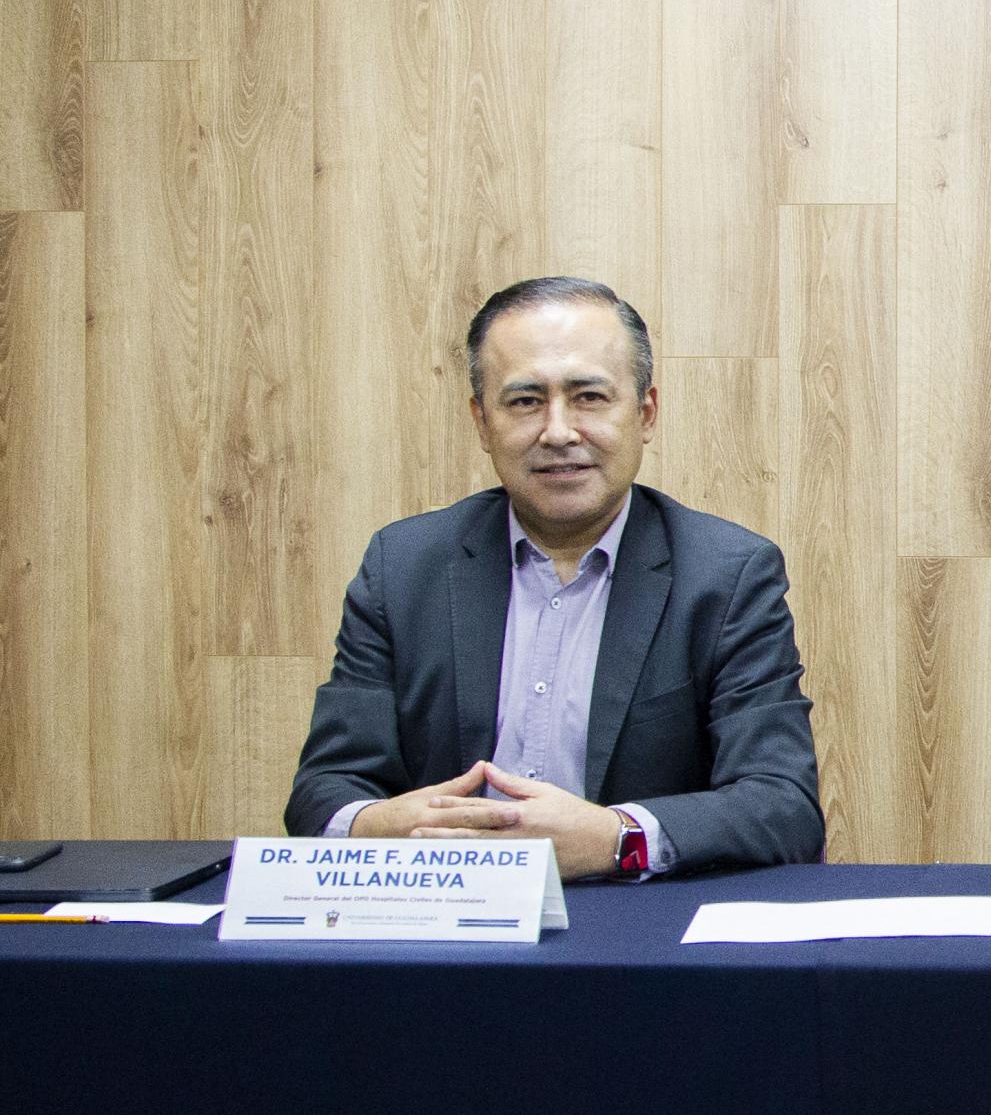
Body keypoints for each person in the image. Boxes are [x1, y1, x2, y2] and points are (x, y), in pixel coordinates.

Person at [285, 277, 823, 879]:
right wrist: (392, 828)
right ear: (482, 423)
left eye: (589, 397)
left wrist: (616, 837)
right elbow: (322, 795)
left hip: (639, 937)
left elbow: (783, 806)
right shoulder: (404, 566)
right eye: (524, 401)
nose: (559, 431)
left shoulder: (725, 575)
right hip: (445, 929)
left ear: (645, 413)